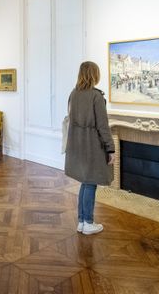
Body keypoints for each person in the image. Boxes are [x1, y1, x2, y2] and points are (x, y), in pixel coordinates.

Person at [64, 61, 115, 235]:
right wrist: (111, 149)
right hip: (92, 145)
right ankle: (88, 222)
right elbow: (103, 126)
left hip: (77, 145)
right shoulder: (96, 96)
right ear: (94, 74)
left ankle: (81, 222)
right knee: (91, 183)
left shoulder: (73, 94)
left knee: (85, 182)